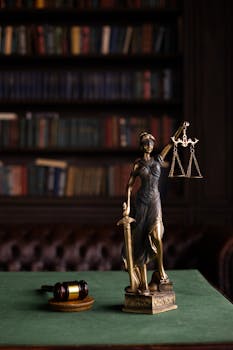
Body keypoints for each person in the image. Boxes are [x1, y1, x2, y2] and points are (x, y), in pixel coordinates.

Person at [123, 122, 187, 295]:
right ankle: (143, 282)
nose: (149, 145)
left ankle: (161, 271)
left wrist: (182, 128)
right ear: (141, 145)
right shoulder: (137, 164)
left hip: (155, 201)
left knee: (157, 236)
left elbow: (172, 143)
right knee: (141, 240)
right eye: (146, 143)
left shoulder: (158, 159)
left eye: (151, 143)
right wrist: (127, 205)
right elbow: (129, 185)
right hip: (141, 203)